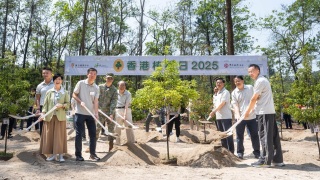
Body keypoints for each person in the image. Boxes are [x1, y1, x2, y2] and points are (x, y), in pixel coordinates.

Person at [244, 64, 284, 167]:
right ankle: (277, 160)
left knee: (265, 136)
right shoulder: (262, 81)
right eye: (249, 72)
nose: (250, 74)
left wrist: (247, 112)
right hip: (268, 111)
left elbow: (254, 98)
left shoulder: (260, 81)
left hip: (264, 112)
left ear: (258, 70)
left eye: (252, 71)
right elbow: (258, 98)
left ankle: (265, 160)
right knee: (273, 136)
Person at [39, 74, 69, 162]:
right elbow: (45, 105)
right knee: (50, 136)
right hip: (50, 117)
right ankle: (52, 155)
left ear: (62, 81)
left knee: (59, 136)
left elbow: (68, 105)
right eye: (56, 79)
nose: (57, 80)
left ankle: (60, 155)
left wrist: (62, 105)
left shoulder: (65, 92)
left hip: (60, 118)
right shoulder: (49, 92)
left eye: (59, 79)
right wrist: (43, 114)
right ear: (53, 81)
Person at [72, 68, 100, 161]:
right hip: (80, 113)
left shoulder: (96, 87)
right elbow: (74, 94)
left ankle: (92, 154)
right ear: (87, 74)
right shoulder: (81, 83)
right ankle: (78, 155)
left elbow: (96, 101)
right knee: (79, 134)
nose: (92, 75)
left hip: (91, 114)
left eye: (94, 74)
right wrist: (80, 102)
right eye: (91, 73)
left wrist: (96, 113)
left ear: (96, 76)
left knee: (93, 134)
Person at [231, 75, 260, 159]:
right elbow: (235, 105)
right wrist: (238, 116)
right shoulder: (234, 93)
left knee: (254, 135)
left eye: (238, 81)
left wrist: (252, 110)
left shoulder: (250, 88)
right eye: (235, 81)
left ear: (243, 81)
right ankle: (240, 153)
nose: (237, 83)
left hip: (252, 116)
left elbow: (256, 98)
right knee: (239, 136)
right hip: (240, 118)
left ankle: (257, 152)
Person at [209, 78, 234, 154]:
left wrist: (214, 111)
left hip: (226, 117)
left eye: (220, 83)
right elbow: (215, 105)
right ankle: (224, 151)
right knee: (221, 135)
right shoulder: (217, 94)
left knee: (228, 135)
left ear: (223, 84)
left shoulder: (225, 92)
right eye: (217, 83)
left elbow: (222, 103)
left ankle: (231, 152)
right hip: (218, 117)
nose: (218, 84)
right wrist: (213, 111)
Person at [95, 73, 117, 152]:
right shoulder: (100, 87)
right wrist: (96, 109)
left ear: (113, 80)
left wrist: (111, 113)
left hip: (109, 113)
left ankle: (111, 147)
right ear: (105, 79)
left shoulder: (114, 90)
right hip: (100, 111)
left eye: (111, 78)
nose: (109, 80)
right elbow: (95, 98)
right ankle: (92, 147)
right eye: (108, 78)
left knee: (111, 130)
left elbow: (114, 102)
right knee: (97, 128)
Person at [114, 81, 135, 145]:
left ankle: (131, 141)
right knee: (117, 126)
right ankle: (117, 142)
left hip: (127, 110)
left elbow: (126, 105)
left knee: (129, 125)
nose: (122, 87)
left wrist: (125, 115)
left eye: (123, 85)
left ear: (125, 86)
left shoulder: (128, 93)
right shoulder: (115, 93)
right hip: (117, 110)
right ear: (118, 86)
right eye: (120, 85)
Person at [35, 67, 54, 135]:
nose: (45, 74)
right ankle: (43, 142)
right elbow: (37, 98)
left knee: (52, 127)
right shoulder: (39, 86)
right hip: (43, 108)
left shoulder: (56, 84)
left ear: (51, 74)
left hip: (53, 108)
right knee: (43, 126)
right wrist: (38, 108)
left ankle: (52, 143)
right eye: (43, 73)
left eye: (47, 73)